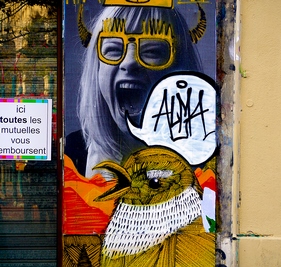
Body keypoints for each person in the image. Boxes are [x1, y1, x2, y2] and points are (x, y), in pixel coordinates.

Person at [65, 4, 205, 177]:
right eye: (114, 49)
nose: (129, 62)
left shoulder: (206, 165)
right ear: (97, 69)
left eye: (152, 51)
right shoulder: (71, 154)